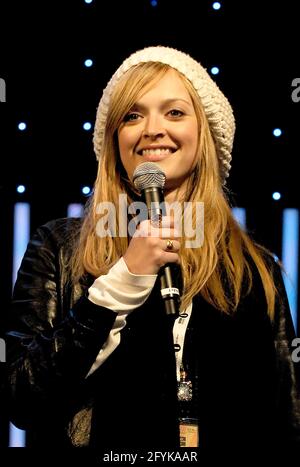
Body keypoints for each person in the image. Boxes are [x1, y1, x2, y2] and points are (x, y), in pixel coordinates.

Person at [6, 46, 300, 456]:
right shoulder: (59, 246)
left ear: (206, 135)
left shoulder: (254, 267)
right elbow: (23, 396)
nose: (152, 129)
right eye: (132, 115)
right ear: (114, 140)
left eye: (175, 113)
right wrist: (125, 277)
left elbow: (286, 416)